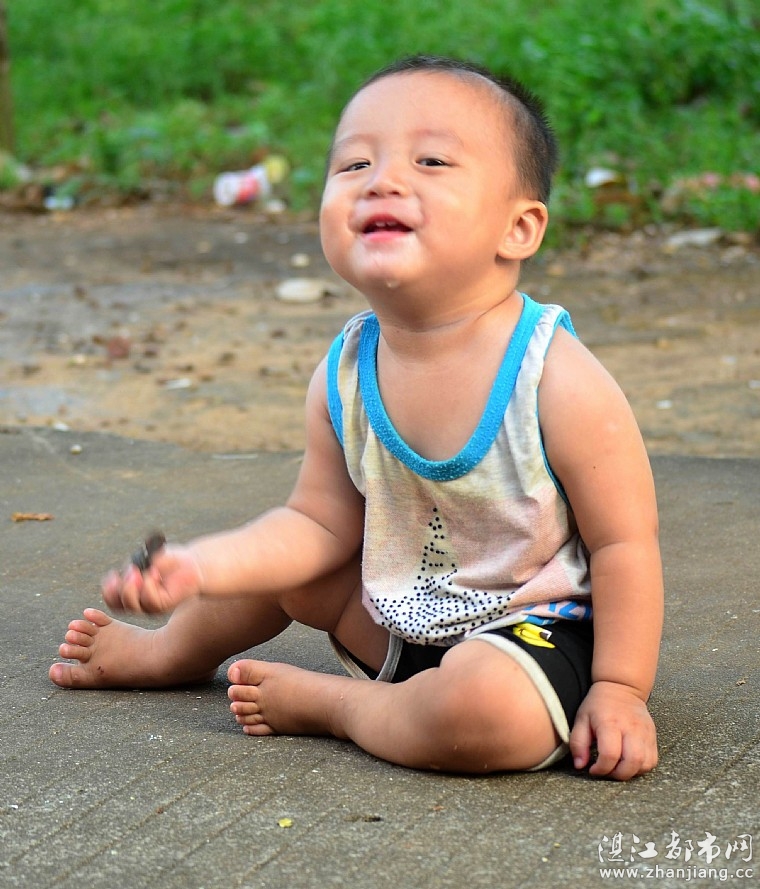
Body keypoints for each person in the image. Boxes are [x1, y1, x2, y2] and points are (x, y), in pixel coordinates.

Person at [49, 55, 663, 781]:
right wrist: (201, 566)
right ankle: (168, 652)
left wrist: (620, 688)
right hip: (397, 628)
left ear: (519, 228)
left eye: (431, 161)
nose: (382, 180)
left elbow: (624, 544)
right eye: (355, 164)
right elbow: (315, 527)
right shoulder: (344, 373)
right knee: (275, 567)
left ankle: (339, 706)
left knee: (486, 714)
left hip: (530, 641)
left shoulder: (553, 375)